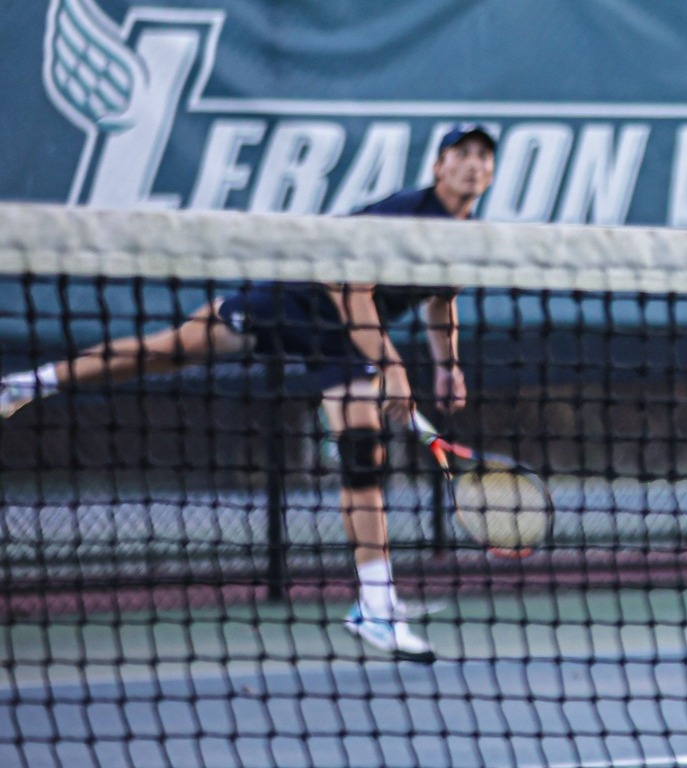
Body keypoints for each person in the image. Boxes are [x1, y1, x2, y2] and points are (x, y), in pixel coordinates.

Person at [0, 125, 498, 665]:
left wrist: (447, 367)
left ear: (490, 173)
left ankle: (375, 603)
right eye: (461, 154)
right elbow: (351, 285)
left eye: (482, 157)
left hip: (335, 328)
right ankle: (30, 383)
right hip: (306, 300)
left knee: (362, 453)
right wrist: (393, 367)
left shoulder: (464, 233)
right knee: (170, 349)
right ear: (439, 167)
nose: (473, 165)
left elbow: (439, 302)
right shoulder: (408, 213)